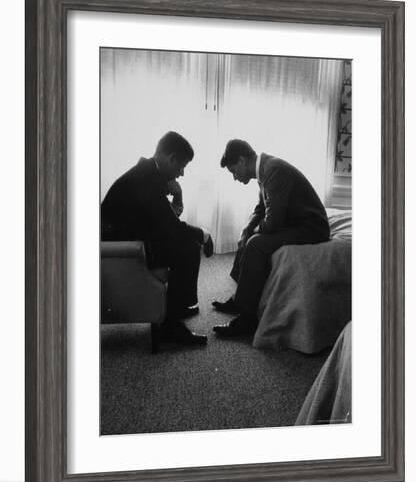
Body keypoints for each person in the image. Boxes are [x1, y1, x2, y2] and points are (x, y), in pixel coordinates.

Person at [101, 131, 214, 346]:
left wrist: (177, 194)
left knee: (186, 244)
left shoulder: (148, 173)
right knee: (188, 248)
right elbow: (171, 226)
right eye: (181, 167)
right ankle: (170, 326)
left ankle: (178, 307)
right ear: (170, 158)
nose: (181, 174)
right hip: (124, 251)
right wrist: (204, 234)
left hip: (129, 241)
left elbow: (163, 219)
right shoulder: (148, 180)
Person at [213, 139, 330, 338]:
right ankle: (240, 299)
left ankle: (248, 320)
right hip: (294, 221)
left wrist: (254, 232)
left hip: (311, 227)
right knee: (248, 235)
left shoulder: (274, 170)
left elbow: (273, 222)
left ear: (242, 161)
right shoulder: (265, 170)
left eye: (234, 171)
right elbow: (261, 208)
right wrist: (247, 228)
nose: (234, 177)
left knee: (256, 244)